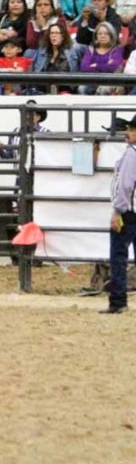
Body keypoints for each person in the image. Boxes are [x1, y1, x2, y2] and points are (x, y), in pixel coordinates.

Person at [104, 114, 136, 314]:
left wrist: (117, 211)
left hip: (129, 212)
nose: (128, 133)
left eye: (132, 130)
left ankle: (118, 301)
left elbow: (125, 185)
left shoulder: (132, 153)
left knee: (118, 255)